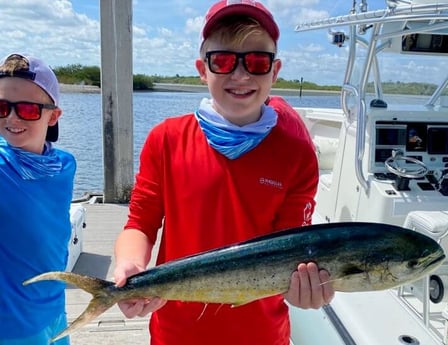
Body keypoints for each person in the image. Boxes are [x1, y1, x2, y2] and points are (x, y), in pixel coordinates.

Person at [114, 1, 334, 344]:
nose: (241, 75)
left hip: (262, 335)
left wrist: (304, 290)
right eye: (224, 61)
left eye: (257, 62)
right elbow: (140, 224)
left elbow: (292, 252)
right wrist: (130, 265)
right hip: (175, 333)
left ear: (275, 72)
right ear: (203, 69)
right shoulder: (166, 140)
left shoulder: (296, 154)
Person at [0, 53, 76, 345]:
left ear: (53, 115)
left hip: (55, 308)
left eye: (28, 109)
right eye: (2, 107)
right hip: (11, 323)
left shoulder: (66, 165)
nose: (12, 118)